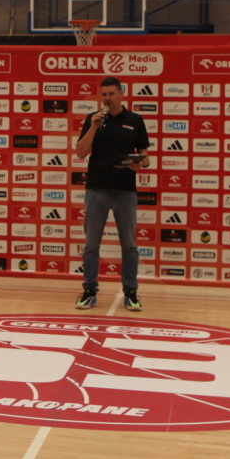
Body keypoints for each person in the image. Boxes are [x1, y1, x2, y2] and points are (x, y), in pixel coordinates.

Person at [74, 75, 151, 311]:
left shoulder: (135, 120)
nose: (107, 98)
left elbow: (145, 155)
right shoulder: (93, 119)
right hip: (96, 189)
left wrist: (141, 163)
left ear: (121, 93)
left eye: (111, 94)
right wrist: (94, 126)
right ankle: (89, 291)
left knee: (129, 245)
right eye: (104, 94)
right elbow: (80, 152)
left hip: (125, 191)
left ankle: (131, 292)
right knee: (91, 244)